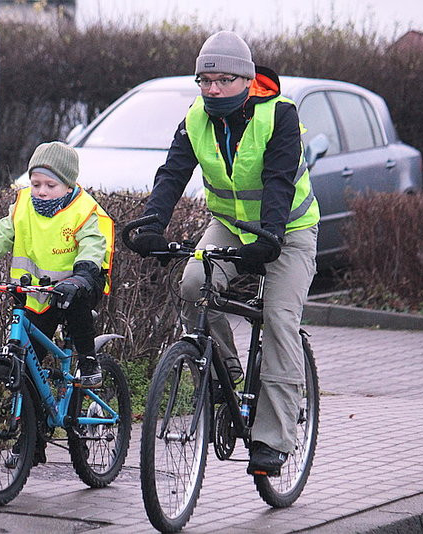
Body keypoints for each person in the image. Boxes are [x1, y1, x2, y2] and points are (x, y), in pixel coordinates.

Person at [127, 31, 319, 476]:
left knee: (279, 320)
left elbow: (277, 182)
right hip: (231, 226)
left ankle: (273, 438)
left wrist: (269, 238)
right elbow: (172, 174)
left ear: (248, 80)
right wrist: (153, 225)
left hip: (287, 230)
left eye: (224, 80)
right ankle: (227, 373)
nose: (212, 89)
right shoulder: (195, 118)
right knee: (193, 286)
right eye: (205, 80)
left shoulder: (280, 115)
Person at [0, 141, 114, 391]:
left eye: (50, 185)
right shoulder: (22, 207)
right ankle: (32, 418)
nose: (41, 191)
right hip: (36, 293)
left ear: (69, 186)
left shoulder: (83, 210)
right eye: (35, 184)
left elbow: (92, 247)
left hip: (80, 282)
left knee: (77, 307)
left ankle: (89, 360)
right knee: (29, 361)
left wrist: (79, 279)